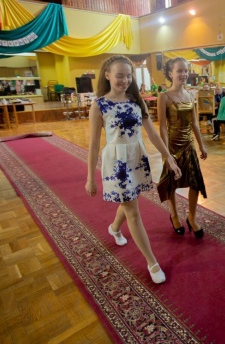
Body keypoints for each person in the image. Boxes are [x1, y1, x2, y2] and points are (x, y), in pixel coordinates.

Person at [85, 55, 182, 284]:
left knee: (129, 200)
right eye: (120, 76)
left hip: (136, 158)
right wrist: (90, 177)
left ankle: (114, 228)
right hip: (117, 163)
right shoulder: (99, 105)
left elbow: (152, 133)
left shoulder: (137, 101)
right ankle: (152, 262)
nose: (125, 80)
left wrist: (169, 158)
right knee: (133, 211)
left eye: (129, 76)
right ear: (107, 75)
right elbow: (93, 145)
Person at [157, 57, 208, 239]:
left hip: (189, 145)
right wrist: (166, 153)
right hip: (172, 146)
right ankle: (174, 215)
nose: (184, 74)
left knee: (195, 182)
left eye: (186, 70)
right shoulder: (164, 96)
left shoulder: (190, 95)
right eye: (179, 71)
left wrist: (201, 145)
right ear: (170, 73)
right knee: (171, 183)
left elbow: (195, 123)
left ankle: (191, 217)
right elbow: (163, 127)